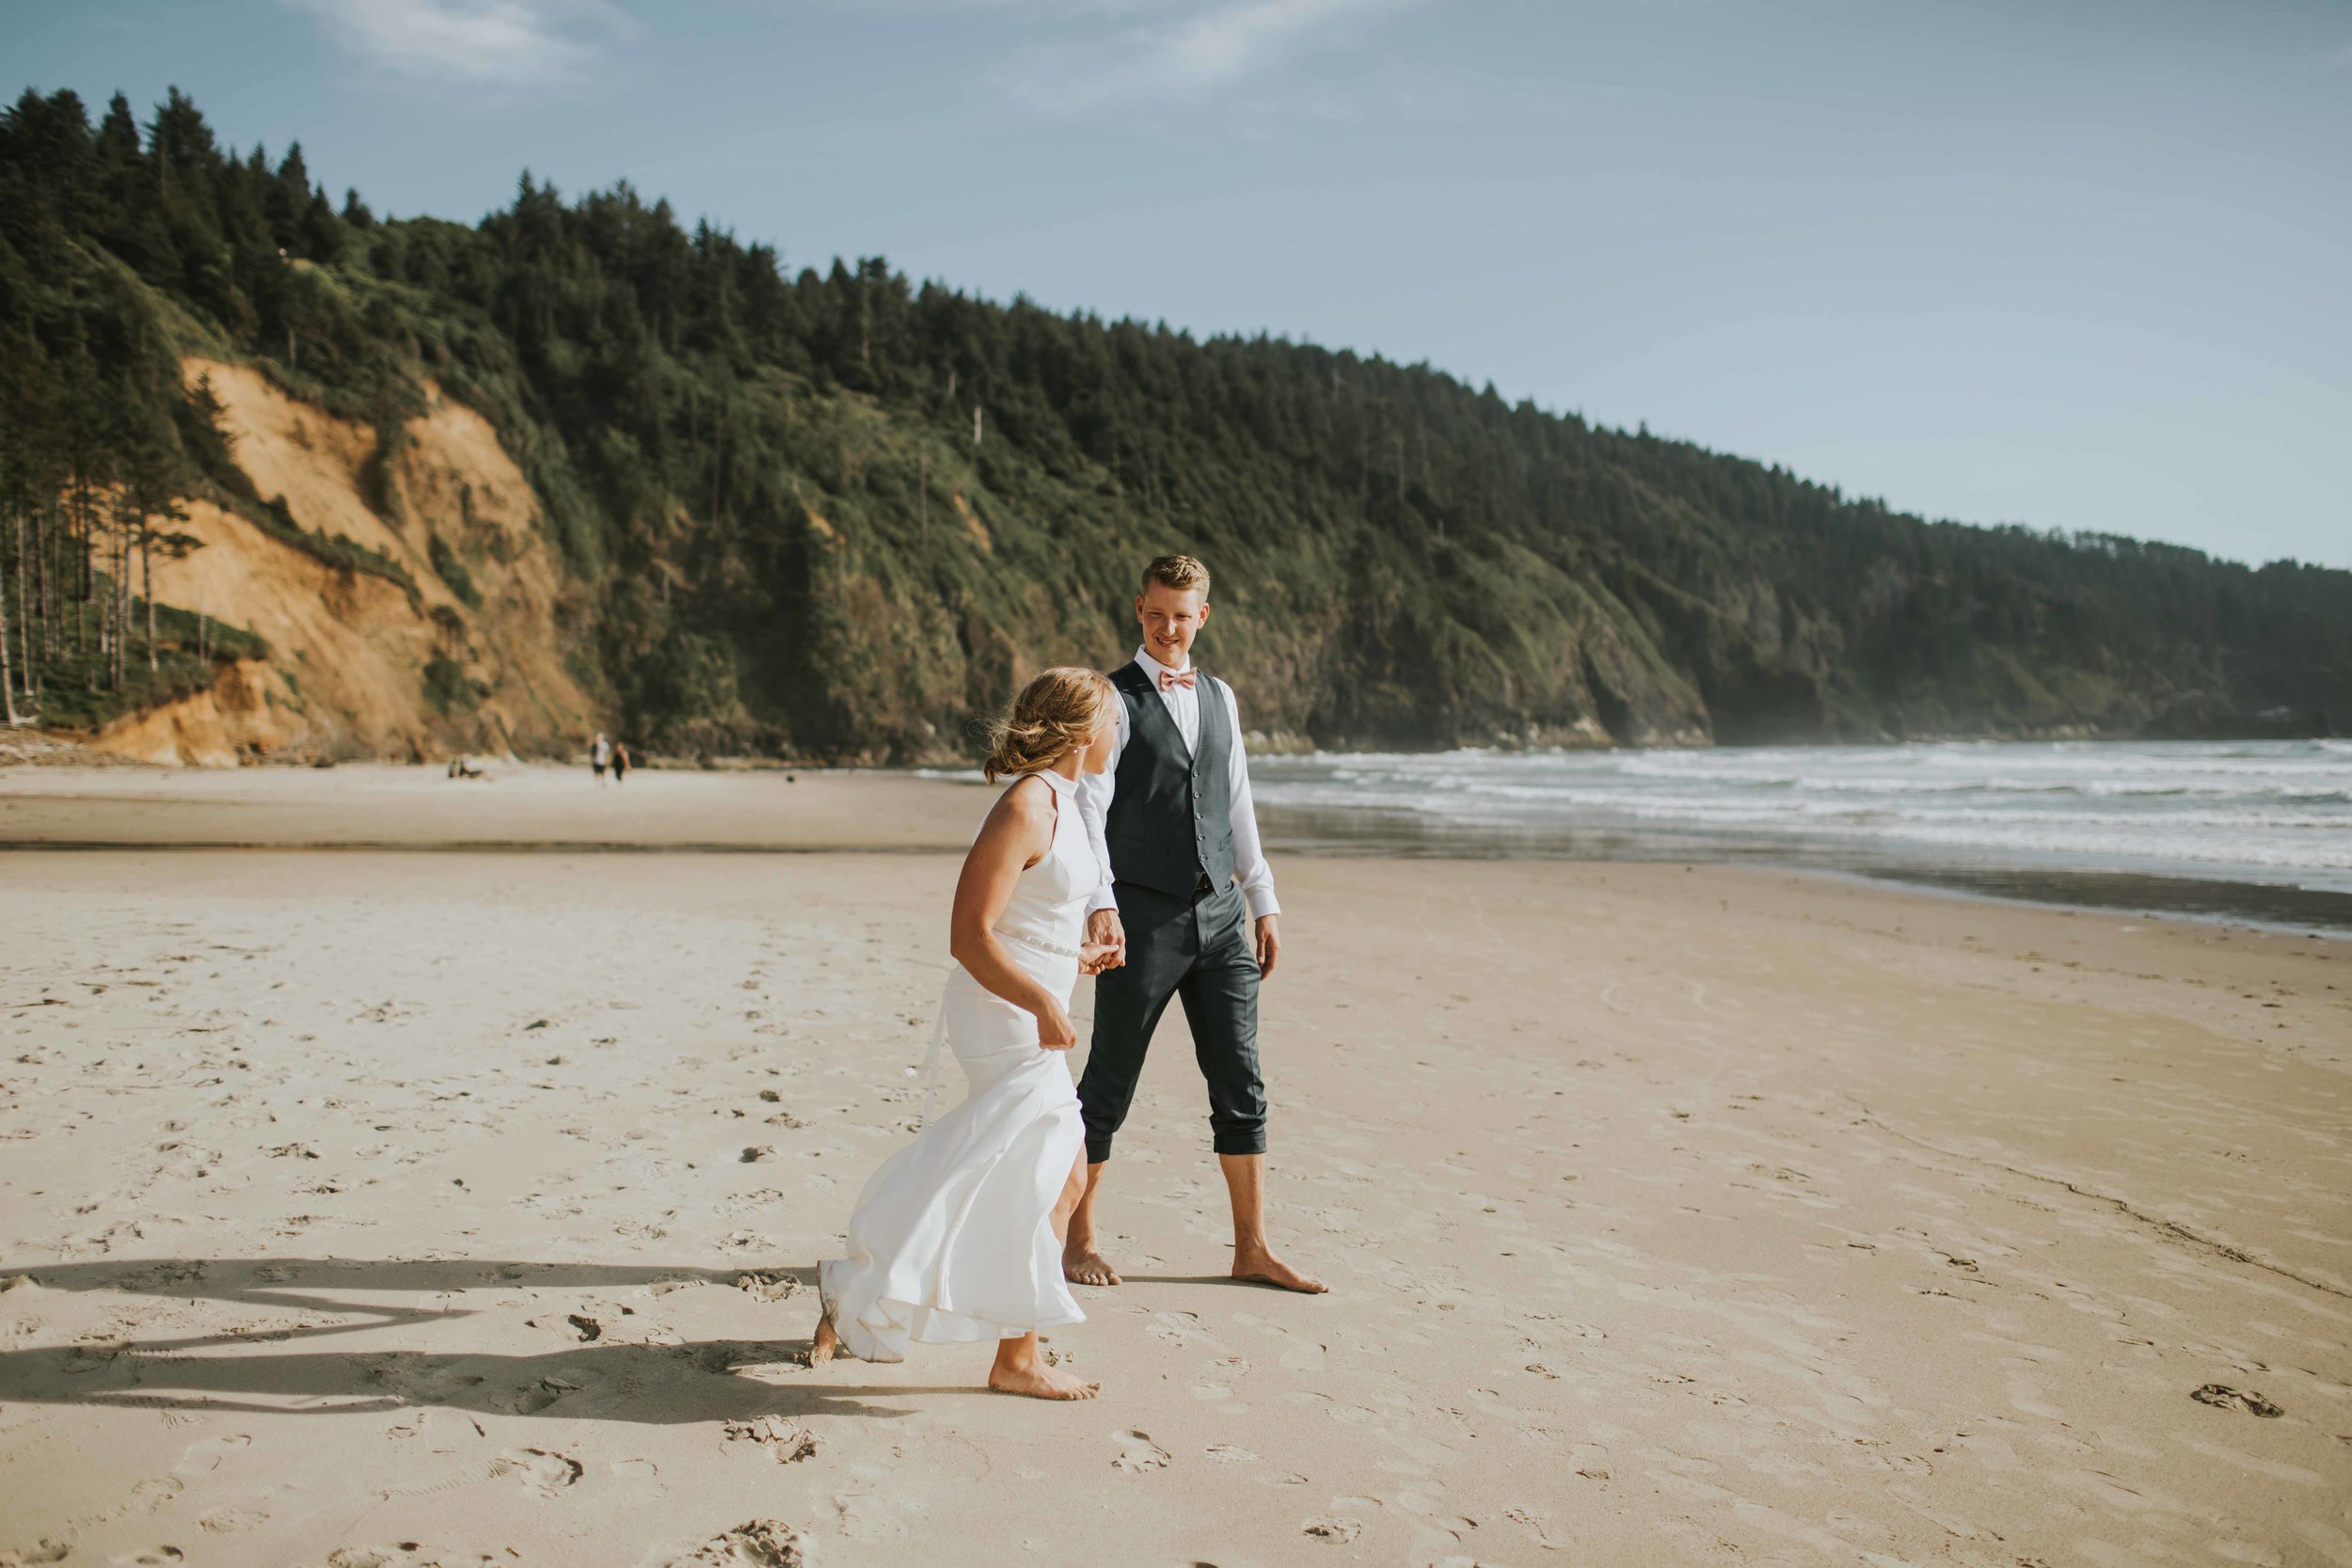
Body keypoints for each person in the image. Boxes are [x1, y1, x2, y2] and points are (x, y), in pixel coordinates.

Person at [810, 667, 1126, 1399]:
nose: (1120, 734)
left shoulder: (1066, 803)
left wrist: (1075, 957)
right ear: (1083, 732)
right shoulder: (1025, 806)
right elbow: (969, 934)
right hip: (1004, 1012)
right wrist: (1044, 1002)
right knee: (1056, 1173)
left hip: (1032, 997)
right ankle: (1014, 1355)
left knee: (1009, 1169)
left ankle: (857, 1290)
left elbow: (1030, 920)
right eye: (1113, 721)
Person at [1067, 554, 1326, 1294]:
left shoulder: (1221, 696)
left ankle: (1252, 1247)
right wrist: (1100, 902)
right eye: (1156, 612)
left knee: (1241, 1082)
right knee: (1109, 1081)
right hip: (1140, 918)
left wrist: (1263, 901)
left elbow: (1236, 799)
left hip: (1220, 917)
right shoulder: (1111, 700)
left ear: (1203, 616)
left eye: (1182, 614)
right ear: (1138, 609)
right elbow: (1089, 807)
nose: (1168, 626)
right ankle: (1078, 1239)